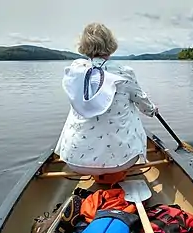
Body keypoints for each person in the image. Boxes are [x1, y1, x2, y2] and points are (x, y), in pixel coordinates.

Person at [54, 22, 158, 178]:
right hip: (121, 162)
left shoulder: (74, 71)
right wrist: (152, 110)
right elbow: (142, 102)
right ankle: (114, 171)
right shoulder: (124, 72)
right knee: (131, 105)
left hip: (73, 160)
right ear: (111, 44)